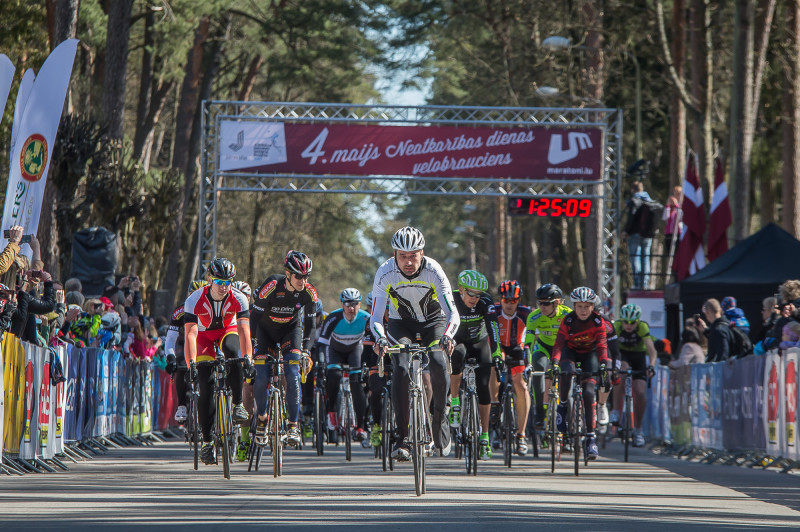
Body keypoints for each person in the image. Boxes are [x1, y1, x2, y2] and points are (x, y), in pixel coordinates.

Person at [371, 226, 459, 461]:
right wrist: (380, 338)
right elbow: (376, 318)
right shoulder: (385, 272)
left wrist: (448, 336)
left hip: (434, 322)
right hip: (402, 324)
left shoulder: (434, 271)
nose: (408, 262)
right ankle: (403, 438)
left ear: (422, 252)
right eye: (402, 256)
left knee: (439, 361)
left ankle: (439, 418)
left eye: (413, 256)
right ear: (394, 253)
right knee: (400, 368)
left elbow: (453, 314)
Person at [184, 258, 254, 465]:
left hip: (227, 330)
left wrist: (248, 358)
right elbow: (190, 334)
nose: (224, 287)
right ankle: (207, 444)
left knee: (233, 352)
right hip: (203, 336)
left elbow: (244, 330)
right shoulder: (194, 299)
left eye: (228, 282)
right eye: (219, 282)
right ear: (209, 280)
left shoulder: (239, 298)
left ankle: (238, 405)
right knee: (205, 388)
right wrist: (191, 364)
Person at [250, 250, 317, 448]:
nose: (302, 280)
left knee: (293, 373)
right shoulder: (271, 285)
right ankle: (262, 417)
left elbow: (311, 327)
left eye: (306, 276)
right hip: (265, 332)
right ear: (287, 273)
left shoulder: (309, 292)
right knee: (261, 376)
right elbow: (253, 319)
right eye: (298, 276)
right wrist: (251, 347)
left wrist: (306, 350)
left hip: (290, 331)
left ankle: (293, 425)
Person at [550, 286, 609, 460]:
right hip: (571, 352)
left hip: (589, 354)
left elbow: (602, 345)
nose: (583, 310)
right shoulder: (568, 321)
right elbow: (559, 344)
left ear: (593, 307)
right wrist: (554, 363)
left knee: (589, 393)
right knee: (566, 372)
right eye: (579, 306)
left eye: (587, 306)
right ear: (574, 306)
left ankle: (591, 438)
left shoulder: (598, 321)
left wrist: (604, 364)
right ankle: (563, 405)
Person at [448, 270, 500, 461]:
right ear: (461, 289)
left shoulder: (486, 302)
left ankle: (484, 437)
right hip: (458, 340)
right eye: (471, 293)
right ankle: (454, 403)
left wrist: (497, 353)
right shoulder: (451, 298)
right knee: (458, 355)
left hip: (479, 343)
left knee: (484, 386)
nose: (475, 299)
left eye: (478, 295)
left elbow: (493, 328)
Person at [318, 288, 371, 442]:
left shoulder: (366, 318)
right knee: (333, 375)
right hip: (335, 350)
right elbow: (322, 343)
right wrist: (321, 363)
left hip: (355, 350)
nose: (351, 308)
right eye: (347, 304)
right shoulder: (333, 317)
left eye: (354, 304)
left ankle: (360, 426)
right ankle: (332, 412)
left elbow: (371, 341)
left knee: (357, 384)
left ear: (360, 304)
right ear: (342, 304)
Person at [492, 280, 532, 456]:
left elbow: (530, 339)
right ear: (500, 299)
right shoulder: (494, 311)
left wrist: (529, 360)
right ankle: (493, 424)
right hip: (498, 348)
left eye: (513, 301)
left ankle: (521, 435)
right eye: (506, 301)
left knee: (521, 385)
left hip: (517, 349)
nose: (509, 305)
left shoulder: (526, 313)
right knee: (494, 375)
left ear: (519, 300)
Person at [524, 283, 571, 429]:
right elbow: (529, 342)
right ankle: (540, 411)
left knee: (566, 374)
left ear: (557, 303)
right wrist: (527, 361)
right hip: (543, 347)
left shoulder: (567, 315)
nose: (542, 307)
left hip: (562, 349)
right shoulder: (534, 316)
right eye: (540, 303)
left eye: (546, 303)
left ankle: (568, 418)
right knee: (538, 368)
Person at [611, 303, 658, 447]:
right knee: (621, 371)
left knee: (640, 391)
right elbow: (609, 347)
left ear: (637, 321)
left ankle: (638, 430)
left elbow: (652, 350)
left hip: (638, 356)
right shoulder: (617, 326)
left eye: (632, 322)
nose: (628, 325)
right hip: (622, 354)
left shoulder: (642, 327)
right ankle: (615, 411)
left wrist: (651, 365)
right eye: (626, 322)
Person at [165, 280, 208, 425]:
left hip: (205, 343)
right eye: (193, 295)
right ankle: (182, 405)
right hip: (185, 344)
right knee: (181, 366)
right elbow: (170, 339)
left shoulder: (212, 309)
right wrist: (170, 358)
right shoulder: (180, 311)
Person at [623, 181, 657, 290]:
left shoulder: (634, 201)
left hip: (635, 234)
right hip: (648, 234)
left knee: (635, 258)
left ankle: (637, 284)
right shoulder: (650, 200)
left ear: (633, 189)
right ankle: (645, 283)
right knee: (645, 258)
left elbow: (631, 217)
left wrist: (626, 231)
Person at [695, 298, 733, 363]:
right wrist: (705, 330)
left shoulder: (719, 330)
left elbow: (723, 356)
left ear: (707, 312)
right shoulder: (727, 324)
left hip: (723, 370)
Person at [662, 185, 683, 256]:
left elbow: (681, 217)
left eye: (677, 194)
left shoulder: (681, 206)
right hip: (669, 233)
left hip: (678, 233)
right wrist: (667, 206)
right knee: (670, 254)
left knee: (678, 254)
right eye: (674, 194)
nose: (675, 196)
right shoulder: (671, 208)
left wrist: (677, 205)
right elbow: (665, 218)